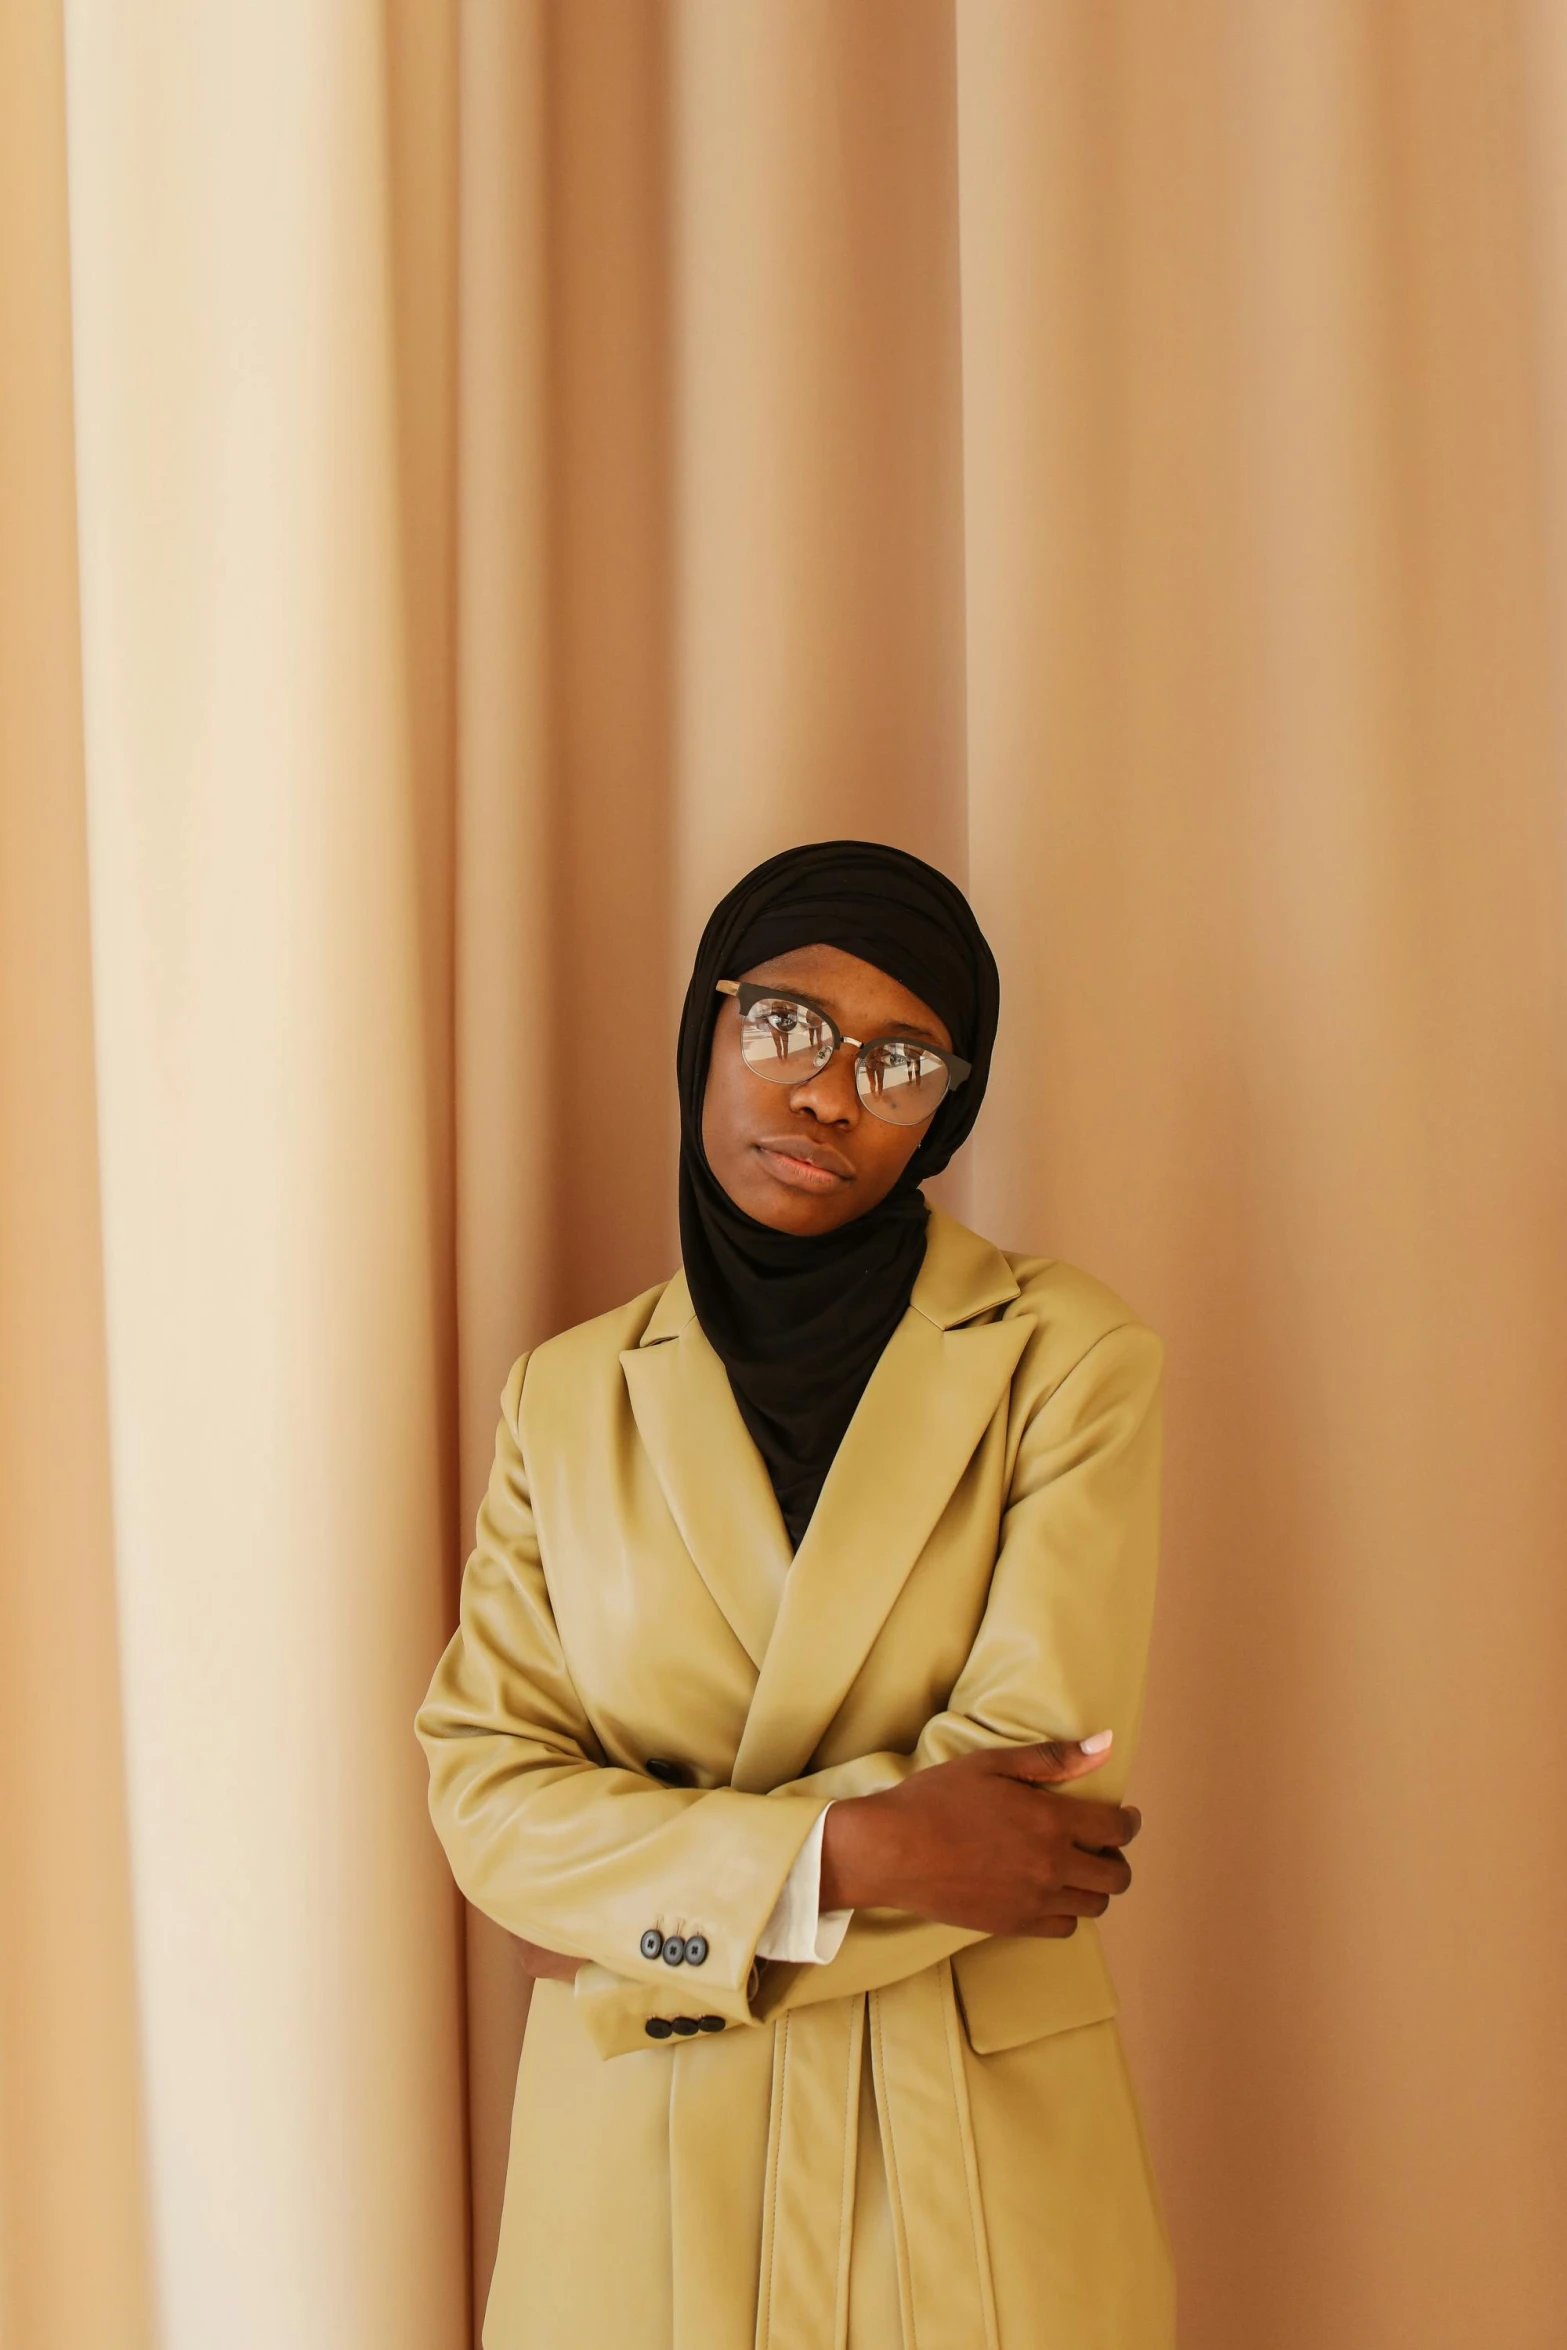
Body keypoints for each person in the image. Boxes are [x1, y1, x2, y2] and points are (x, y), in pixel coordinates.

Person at [415, 839, 1176, 2349]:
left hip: (966, 2146)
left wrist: (646, 1936)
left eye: (899, 1062)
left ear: (942, 1113)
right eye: (786, 1026)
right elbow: (489, 1797)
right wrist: (856, 1850)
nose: (828, 1092)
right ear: (708, 1025)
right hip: (641, 2172)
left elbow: (1034, 1792)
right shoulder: (565, 1400)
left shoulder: (1063, 1356)